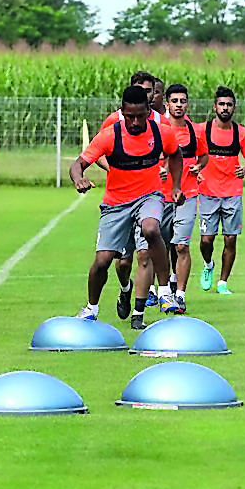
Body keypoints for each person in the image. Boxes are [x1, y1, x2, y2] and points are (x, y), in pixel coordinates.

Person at [71, 84, 184, 329]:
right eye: (129, 116)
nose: (135, 122)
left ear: (148, 112)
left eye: (140, 116)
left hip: (149, 196)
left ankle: (164, 291)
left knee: (152, 229)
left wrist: (175, 186)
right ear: (122, 112)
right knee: (103, 261)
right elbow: (78, 164)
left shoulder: (161, 132)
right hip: (116, 203)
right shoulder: (110, 135)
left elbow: (175, 155)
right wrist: (79, 179)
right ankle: (91, 307)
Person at [97, 71, 165, 320]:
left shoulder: (161, 123)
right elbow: (98, 150)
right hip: (120, 199)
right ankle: (125, 288)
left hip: (149, 197)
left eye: (149, 90)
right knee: (122, 262)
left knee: (145, 252)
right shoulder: (113, 122)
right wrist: (114, 169)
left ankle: (139, 312)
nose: (145, 94)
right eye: (139, 89)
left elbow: (171, 152)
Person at [198, 85, 245, 296]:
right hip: (207, 193)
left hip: (232, 193)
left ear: (234, 108)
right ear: (214, 107)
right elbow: (186, 153)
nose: (225, 108)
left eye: (229, 105)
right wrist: (195, 171)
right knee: (206, 240)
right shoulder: (201, 130)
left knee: (230, 238)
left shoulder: (242, 134)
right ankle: (208, 264)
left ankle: (222, 282)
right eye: (221, 104)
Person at [160, 83, 208, 311]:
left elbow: (204, 155)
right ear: (167, 104)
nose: (179, 105)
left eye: (183, 101)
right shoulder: (157, 128)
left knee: (181, 246)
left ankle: (179, 294)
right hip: (159, 197)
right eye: (175, 101)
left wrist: (199, 166)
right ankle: (159, 289)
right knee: (159, 244)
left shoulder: (195, 130)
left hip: (187, 195)